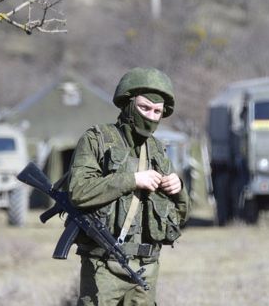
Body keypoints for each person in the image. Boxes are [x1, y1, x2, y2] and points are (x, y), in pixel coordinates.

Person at [68, 67, 190, 305]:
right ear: (128, 103)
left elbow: (180, 217)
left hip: (146, 269)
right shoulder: (97, 140)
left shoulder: (158, 151)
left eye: (157, 111)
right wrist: (132, 180)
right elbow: (78, 191)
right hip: (103, 266)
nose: (151, 116)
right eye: (145, 108)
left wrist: (179, 188)